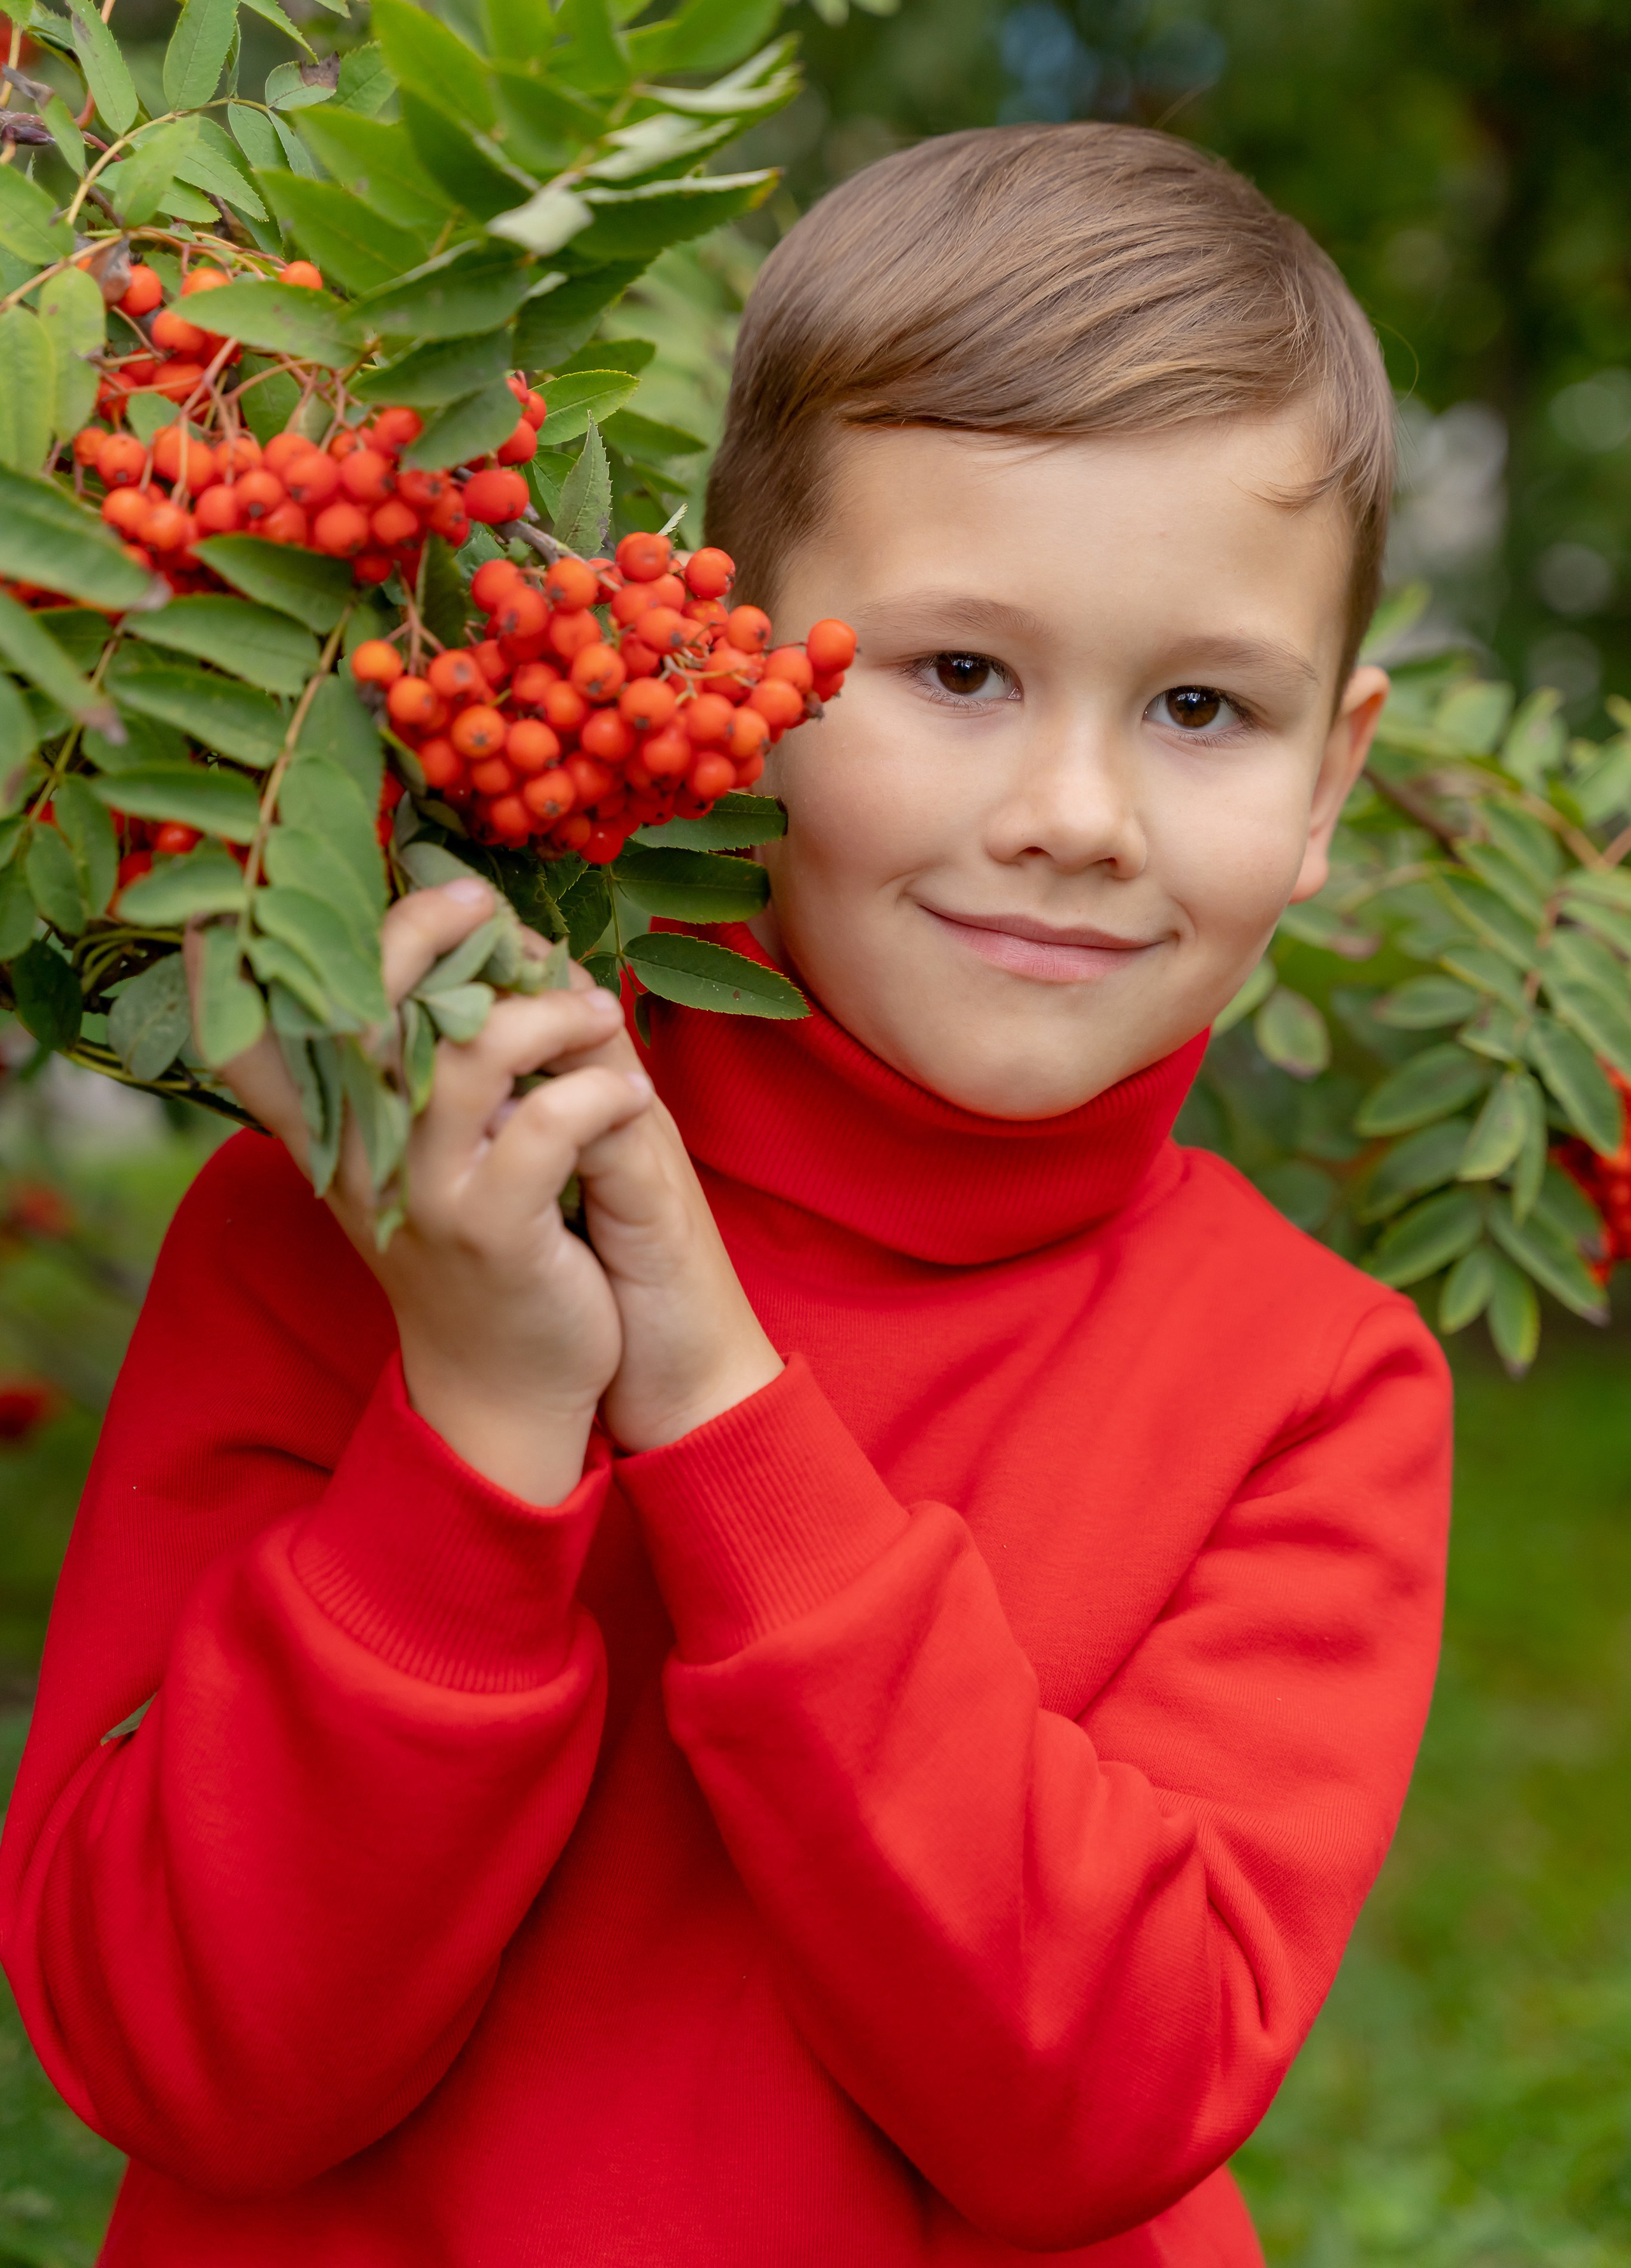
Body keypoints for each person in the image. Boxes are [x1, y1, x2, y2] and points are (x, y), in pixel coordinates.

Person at [0, 122, 1451, 2268]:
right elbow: (177, 2059)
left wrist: (716, 1410)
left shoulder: (1316, 1389)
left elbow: (1106, 2103)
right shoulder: (370, 1218)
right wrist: (480, 1416)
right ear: (727, 662)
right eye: (962, 673)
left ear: (1333, 776)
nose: (1077, 814)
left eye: (1201, 707)